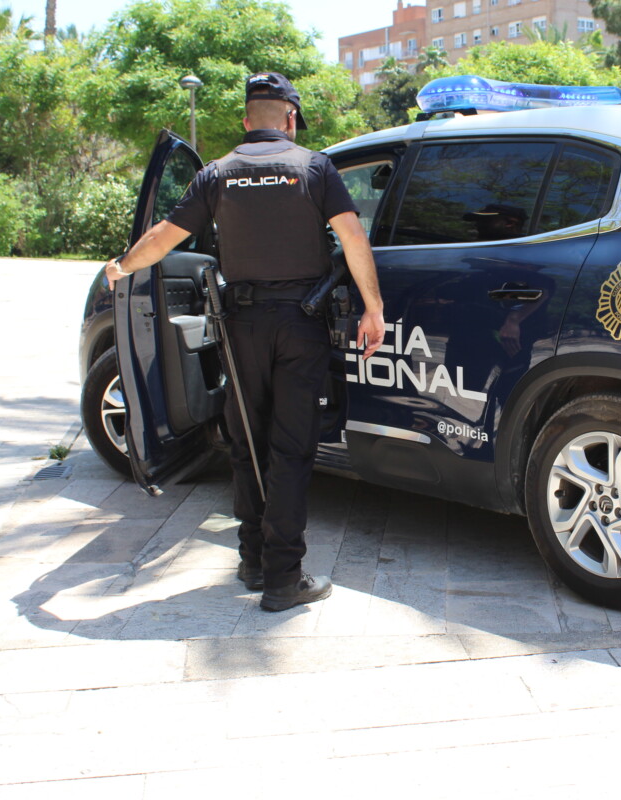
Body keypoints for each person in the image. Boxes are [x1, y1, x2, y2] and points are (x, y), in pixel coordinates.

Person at [104, 71, 385, 612]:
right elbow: (353, 238)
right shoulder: (314, 168)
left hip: (241, 326)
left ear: (245, 120)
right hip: (300, 324)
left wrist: (122, 265)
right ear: (290, 118)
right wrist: (373, 308)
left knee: (247, 442)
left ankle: (254, 559)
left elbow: (163, 238)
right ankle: (283, 579)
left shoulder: (217, 173)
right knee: (290, 448)